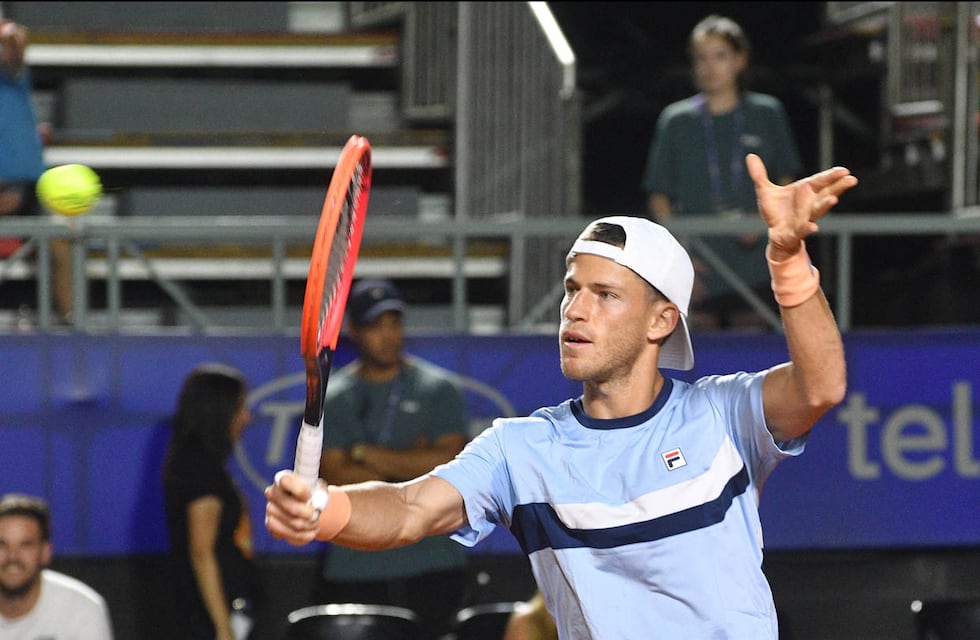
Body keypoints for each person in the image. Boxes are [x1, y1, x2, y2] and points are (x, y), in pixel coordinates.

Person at [265, 154, 857, 638]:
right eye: (572, 289)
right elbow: (410, 508)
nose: (574, 309)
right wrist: (324, 509)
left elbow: (821, 386)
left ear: (661, 321)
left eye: (605, 294)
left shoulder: (723, 415)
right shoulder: (521, 452)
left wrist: (788, 262)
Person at [313, 278, 470, 638]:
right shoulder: (334, 397)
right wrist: (413, 460)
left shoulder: (438, 389)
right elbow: (336, 476)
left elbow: (450, 466)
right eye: (375, 325)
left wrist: (363, 453)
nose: (387, 335)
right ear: (353, 329)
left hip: (433, 560)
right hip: (355, 565)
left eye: (394, 323)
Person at [641, 14, 803, 331]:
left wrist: (765, 221)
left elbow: (787, 182)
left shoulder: (766, 113)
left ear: (740, 61)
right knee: (698, 361)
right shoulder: (676, 120)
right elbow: (659, 196)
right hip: (698, 265)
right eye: (700, 58)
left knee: (753, 359)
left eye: (720, 56)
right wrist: (680, 254)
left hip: (755, 261)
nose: (709, 66)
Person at [162, 363, 263, 640]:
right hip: (212, 621)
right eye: (240, 407)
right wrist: (222, 629)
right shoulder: (199, 470)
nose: (247, 417)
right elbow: (201, 552)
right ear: (219, 411)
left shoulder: (199, 464)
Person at [0, 19, 73, 324]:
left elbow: (15, 52)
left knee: (61, 249)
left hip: (31, 186)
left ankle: (72, 324)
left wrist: (13, 38)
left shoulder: (12, 77)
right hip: (5, 190)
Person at [0, 493, 114, 639]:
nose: (12, 557)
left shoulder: (83, 609)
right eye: (2, 545)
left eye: (25, 545)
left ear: (45, 552)